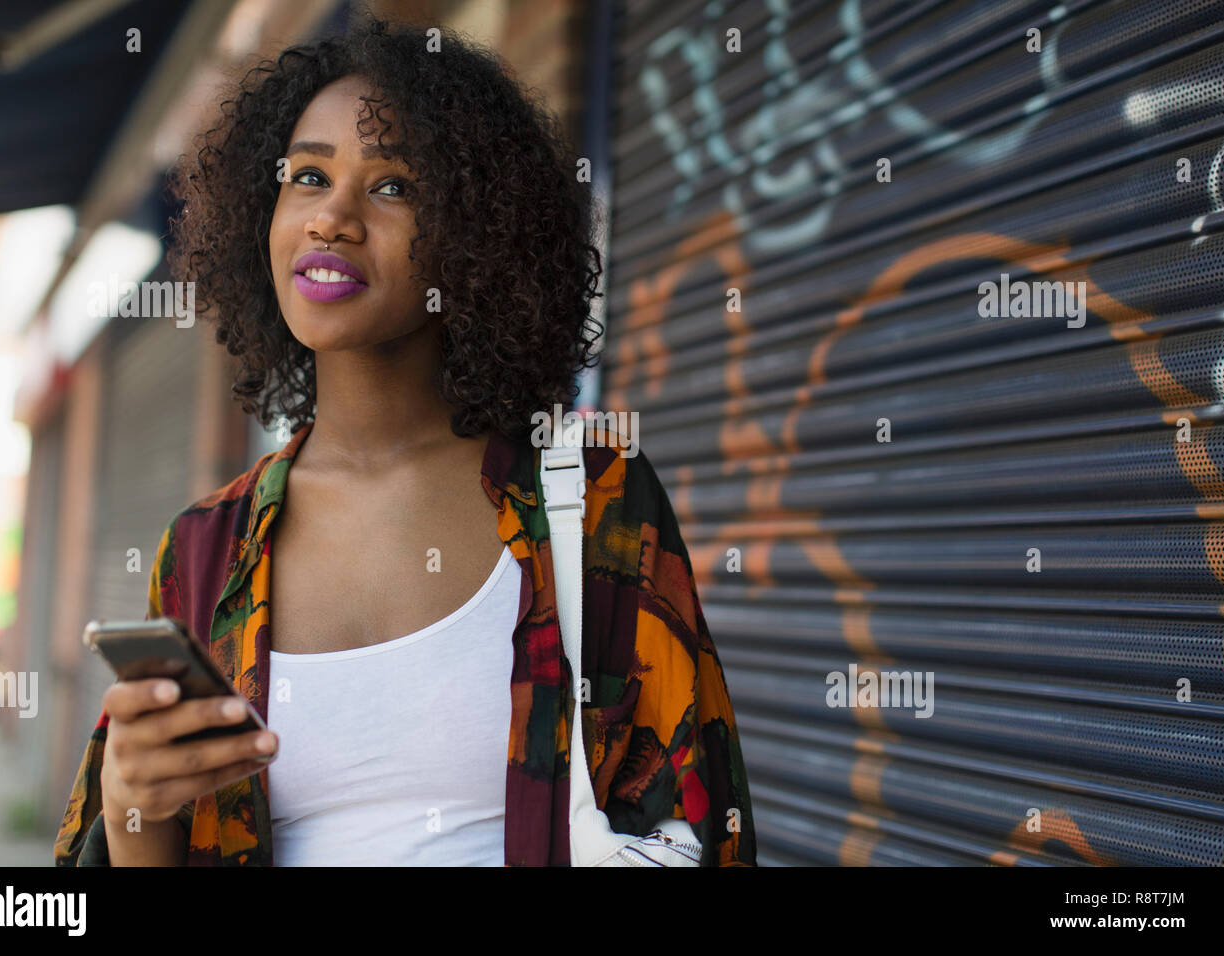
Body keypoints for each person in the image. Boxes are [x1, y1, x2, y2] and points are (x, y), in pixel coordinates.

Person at [54, 15, 755, 867]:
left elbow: (702, 818)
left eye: (392, 187)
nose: (333, 218)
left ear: (477, 236)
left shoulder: (593, 499)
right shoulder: (204, 553)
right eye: (308, 176)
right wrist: (133, 807)